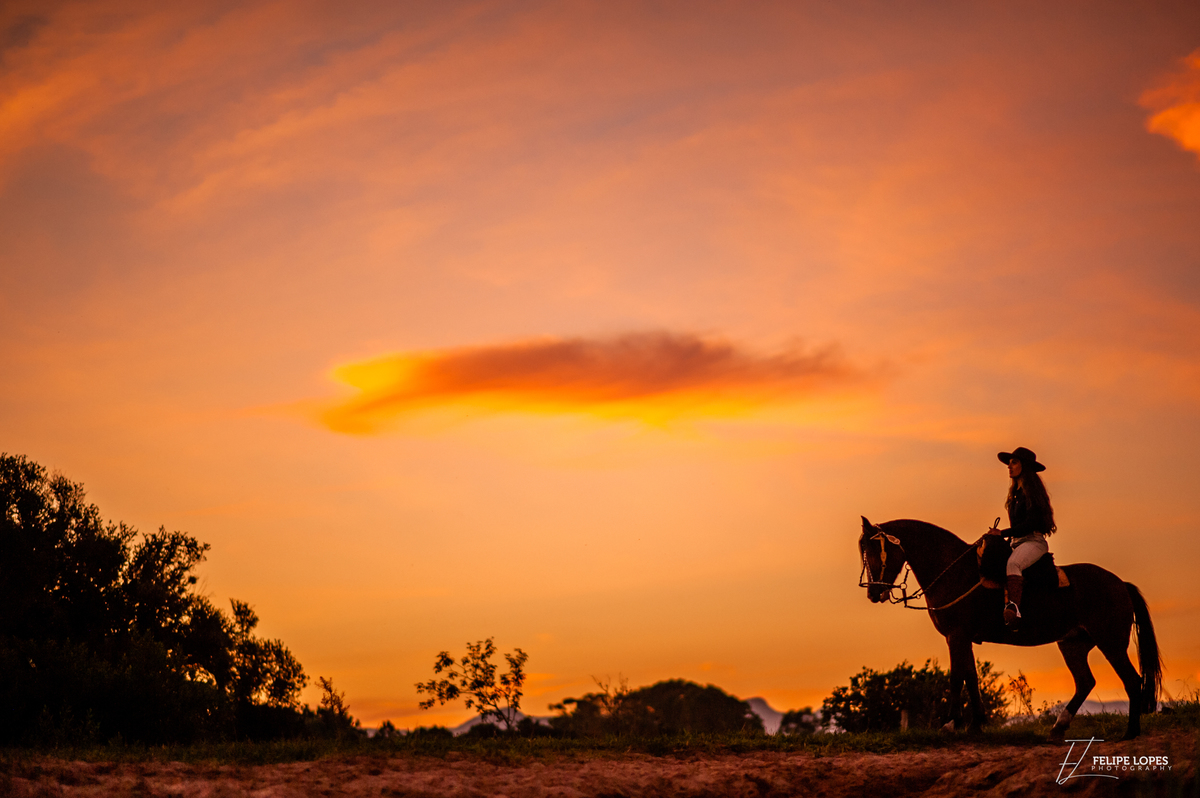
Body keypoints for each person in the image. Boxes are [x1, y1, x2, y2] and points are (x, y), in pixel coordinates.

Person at [987, 446, 1056, 627]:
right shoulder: (1015, 495)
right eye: (1009, 464)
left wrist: (1002, 533)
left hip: (1033, 541)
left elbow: (1030, 524)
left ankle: (1014, 609)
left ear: (1024, 466)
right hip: (1017, 542)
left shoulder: (1031, 493)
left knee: (1013, 563)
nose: (1009, 467)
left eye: (1014, 463)